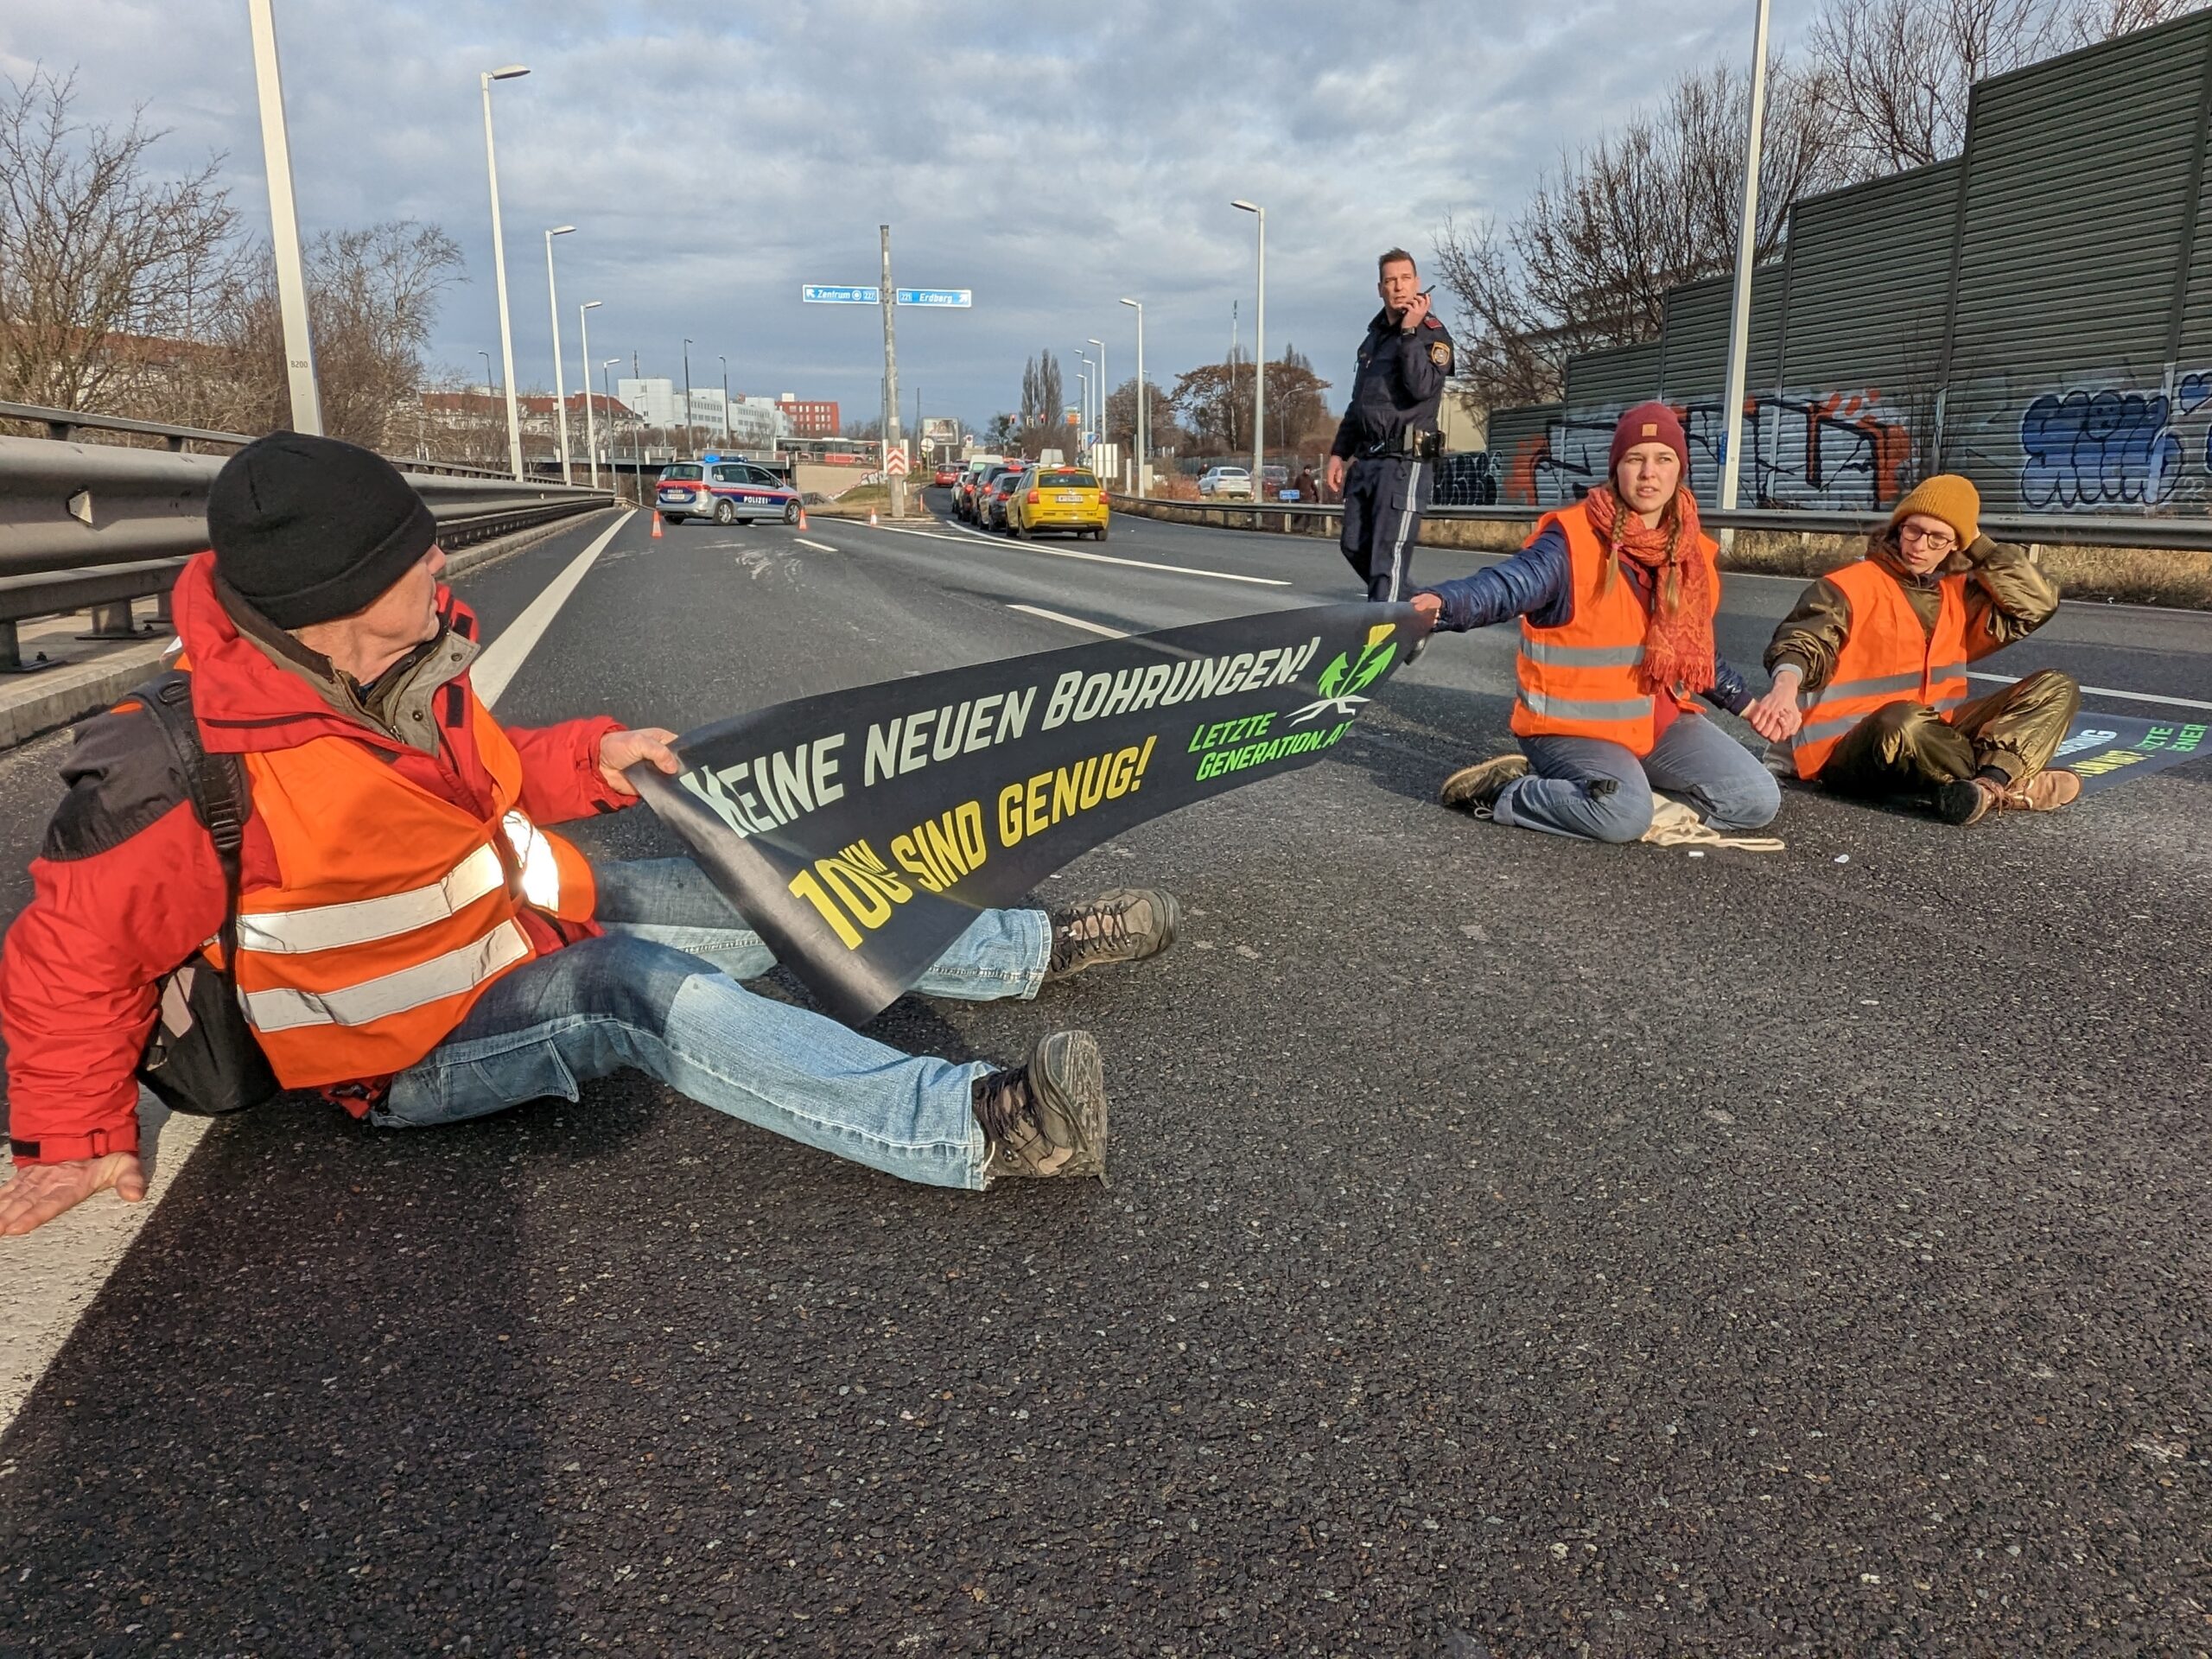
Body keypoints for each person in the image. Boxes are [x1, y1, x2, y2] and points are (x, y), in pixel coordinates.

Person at [0, 434, 1181, 1236]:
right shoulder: (181, 765)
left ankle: (1025, 949)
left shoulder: (412, 660)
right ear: (338, 603)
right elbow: (72, 956)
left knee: (748, 881)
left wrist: (596, 761)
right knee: (632, 988)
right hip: (399, 1052)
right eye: (417, 558)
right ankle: (973, 1128)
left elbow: (486, 784)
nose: (442, 561)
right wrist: (71, 1136)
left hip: (514, 928)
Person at [1412, 403, 1789, 843]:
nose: (1649, 473)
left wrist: (1747, 705)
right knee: (1622, 816)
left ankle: (1611, 796)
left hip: (1657, 726)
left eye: (1663, 459)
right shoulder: (1570, 541)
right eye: (1635, 459)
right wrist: (1442, 605)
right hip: (1571, 729)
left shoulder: (1690, 553)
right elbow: (1506, 586)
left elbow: (1695, 655)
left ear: (1678, 471)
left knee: (1755, 799)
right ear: (1617, 468)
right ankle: (1509, 792)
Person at [1740, 474, 2082, 823]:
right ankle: (2012, 786)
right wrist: (1784, 688)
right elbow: (1806, 639)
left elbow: (2037, 604)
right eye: (1913, 530)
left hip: (1934, 738)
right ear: (1898, 528)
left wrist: (1977, 543)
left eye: (1938, 537)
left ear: (1955, 545)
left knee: (2056, 687)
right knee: (1903, 720)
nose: (1920, 545)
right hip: (1847, 750)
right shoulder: (1849, 586)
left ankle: (1988, 786)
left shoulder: (1957, 594)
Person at [1327, 249, 1456, 603]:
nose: (1398, 287)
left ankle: (1379, 642)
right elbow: (1359, 405)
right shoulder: (1372, 341)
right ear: (1380, 288)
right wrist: (1339, 453)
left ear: (1416, 284)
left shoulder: (1432, 335)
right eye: (1390, 280)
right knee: (1354, 544)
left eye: (1405, 279)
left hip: (1405, 462)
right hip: (1368, 461)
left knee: (1387, 563)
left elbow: (1422, 387)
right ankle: (1417, 615)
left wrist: (1410, 332)